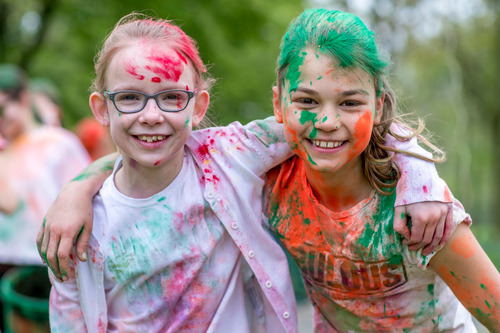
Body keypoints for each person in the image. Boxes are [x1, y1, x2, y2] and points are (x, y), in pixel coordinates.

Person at [39, 13, 454, 333]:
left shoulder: (227, 159)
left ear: (198, 106)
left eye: (171, 97)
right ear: (101, 109)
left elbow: (347, 120)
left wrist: (419, 177)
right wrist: (75, 191)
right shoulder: (77, 229)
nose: (152, 116)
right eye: (129, 98)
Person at [264, 8, 500, 332]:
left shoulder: (422, 210)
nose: (327, 122)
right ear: (279, 104)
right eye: (307, 101)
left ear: (379, 104)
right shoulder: (271, 184)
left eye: (349, 103)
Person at [0, 63, 91, 331]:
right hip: (7, 263)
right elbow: (9, 204)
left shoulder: (58, 143)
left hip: (49, 265)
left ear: (24, 98)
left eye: (3, 109)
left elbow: (90, 197)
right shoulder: (4, 152)